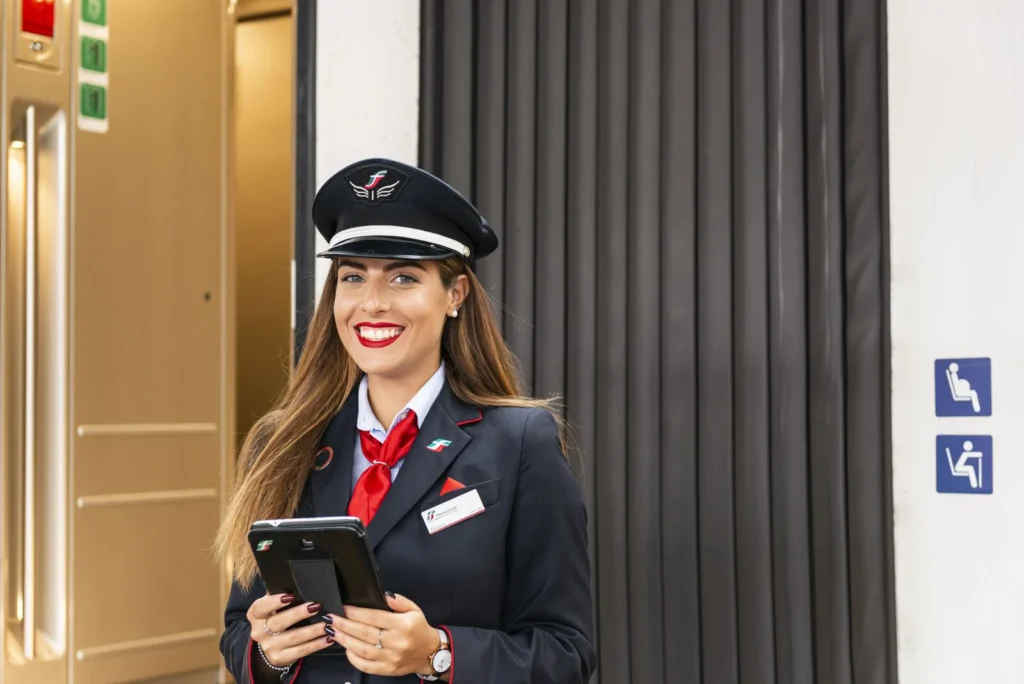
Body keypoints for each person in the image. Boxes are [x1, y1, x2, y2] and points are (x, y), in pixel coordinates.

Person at [214, 158, 597, 683]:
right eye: (353, 277)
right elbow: (239, 628)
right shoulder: (281, 444)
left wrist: (438, 655)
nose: (372, 304)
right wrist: (264, 653)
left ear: (454, 294)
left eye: (403, 277)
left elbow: (566, 653)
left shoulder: (520, 444)